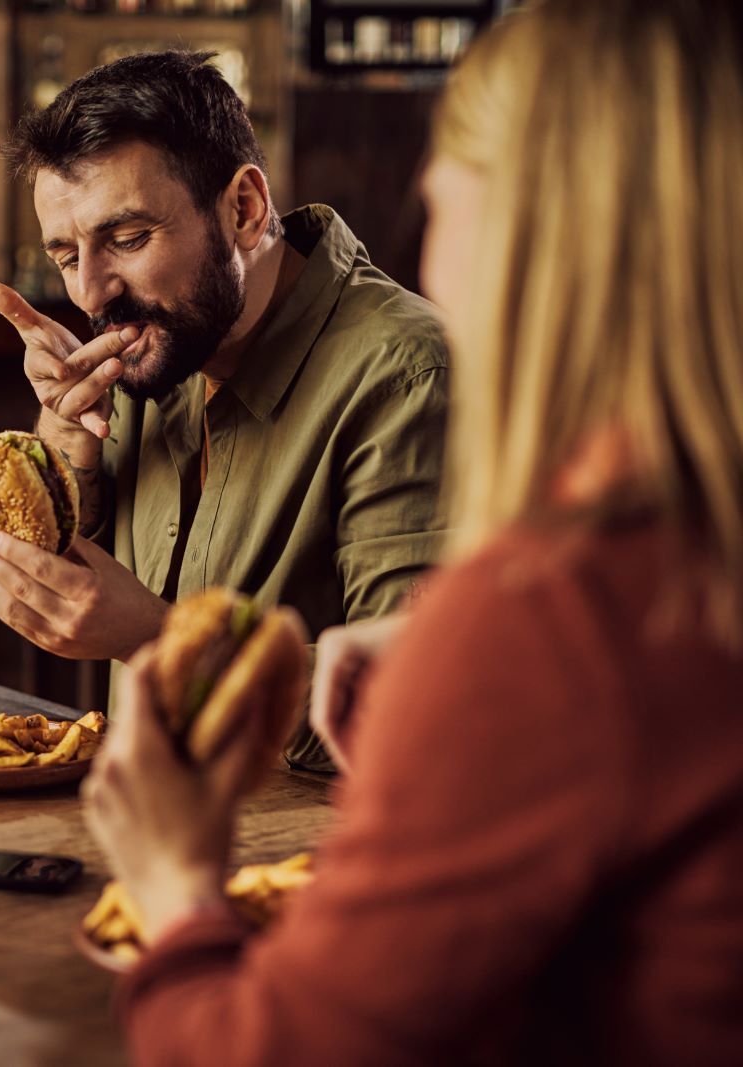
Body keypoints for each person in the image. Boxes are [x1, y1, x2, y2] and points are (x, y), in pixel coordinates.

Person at [84, 1, 743, 1062]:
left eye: (440, 204)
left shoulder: (564, 608)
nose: (427, 261)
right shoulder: (674, 560)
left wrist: (171, 884)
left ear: (539, 244)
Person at [0, 51, 449, 769]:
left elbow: (413, 710)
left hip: (308, 866)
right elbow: (85, 559)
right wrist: (67, 432)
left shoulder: (407, 373)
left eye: (127, 239)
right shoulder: (161, 343)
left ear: (245, 209)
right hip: (143, 838)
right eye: (67, 255)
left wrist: (158, 639)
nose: (92, 294)